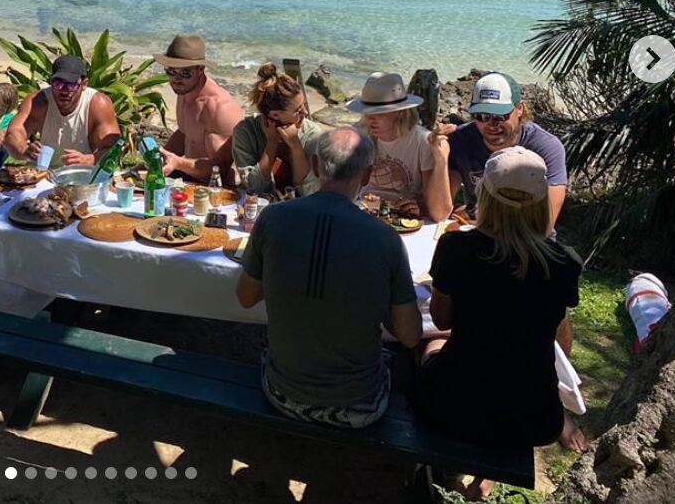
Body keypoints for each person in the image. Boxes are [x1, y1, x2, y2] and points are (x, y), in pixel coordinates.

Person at [412, 147, 584, 496]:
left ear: (485, 195)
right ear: (539, 204)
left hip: (453, 404)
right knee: (511, 377)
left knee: (427, 345)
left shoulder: (456, 247)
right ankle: (482, 476)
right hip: (534, 418)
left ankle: (430, 466)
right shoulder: (564, 262)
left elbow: (442, 317)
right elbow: (557, 337)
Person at [236, 128, 422, 428]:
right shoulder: (385, 239)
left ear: (316, 165)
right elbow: (410, 335)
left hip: (283, 393)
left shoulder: (273, 218)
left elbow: (245, 297)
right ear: (366, 176)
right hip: (358, 406)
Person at [444, 72, 568, 231]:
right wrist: (440, 157)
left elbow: (543, 225)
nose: (491, 124)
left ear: (519, 109)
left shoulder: (546, 148)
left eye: (499, 116)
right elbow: (440, 211)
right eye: (482, 116)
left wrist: (481, 224)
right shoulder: (461, 140)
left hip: (530, 242)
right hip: (480, 232)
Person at [348, 71, 453, 221]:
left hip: (403, 215)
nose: (370, 118)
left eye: (379, 112)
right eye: (366, 112)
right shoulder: (357, 134)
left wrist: (441, 161)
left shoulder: (422, 142)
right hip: (364, 209)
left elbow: (440, 213)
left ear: (399, 112)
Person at [4, 54, 121, 168]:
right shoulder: (37, 102)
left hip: (81, 174)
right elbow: (13, 133)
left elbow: (112, 148)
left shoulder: (98, 104)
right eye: (58, 84)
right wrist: (24, 151)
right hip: (42, 173)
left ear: (84, 84)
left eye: (71, 86)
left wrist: (91, 159)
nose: (64, 91)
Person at [154, 34, 243, 182]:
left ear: (200, 69)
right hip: (189, 176)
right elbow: (184, 134)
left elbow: (222, 170)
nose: (176, 79)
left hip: (216, 188)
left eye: (184, 73)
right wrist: (157, 161)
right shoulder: (184, 91)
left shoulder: (218, 108)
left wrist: (179, 163)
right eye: (171, 71)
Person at [231, 63, 323, 198]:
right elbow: (255, 188)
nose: (306, 112)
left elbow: (308, 192)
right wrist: (271, 144)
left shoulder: (312, 135)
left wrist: (296, 146)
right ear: (274, 115)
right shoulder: (246, 131)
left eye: (303, 105)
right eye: (298, 110)